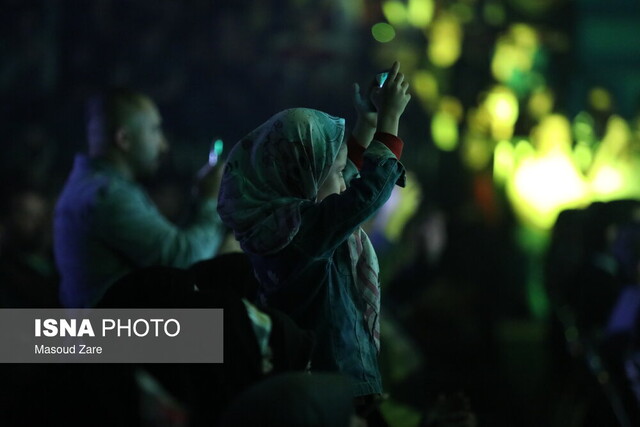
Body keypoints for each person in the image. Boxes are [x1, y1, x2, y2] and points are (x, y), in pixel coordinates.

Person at [218, 62, 411, 422]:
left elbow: (335, 181)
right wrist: (389, 120)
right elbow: (363, 196)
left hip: (328, 385)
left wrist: (367, 122)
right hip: (337, 388)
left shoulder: (280, 226)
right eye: (336, 173)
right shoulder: (300, 235)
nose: (344, 180)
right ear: (302, 179)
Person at [54, 88, 226, 308]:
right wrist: (210, 200)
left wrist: (198, 201)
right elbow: (185, 260)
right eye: (155, 130)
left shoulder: (91, 186)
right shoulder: (108, 196)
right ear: (123, 139)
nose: (163, 144)